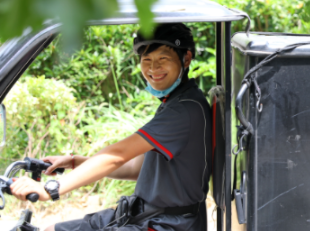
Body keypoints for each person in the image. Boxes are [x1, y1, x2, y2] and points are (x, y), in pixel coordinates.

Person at [10, 23, 212, 231]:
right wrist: (74, 162)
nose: (153, 69)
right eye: (147, 60)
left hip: (165, 224)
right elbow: (135, 168)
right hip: (144, 214)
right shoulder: (176, 102)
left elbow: (118, 155)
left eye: (163, 59)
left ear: (186, 58)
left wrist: (51, 189)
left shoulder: (183, 111)